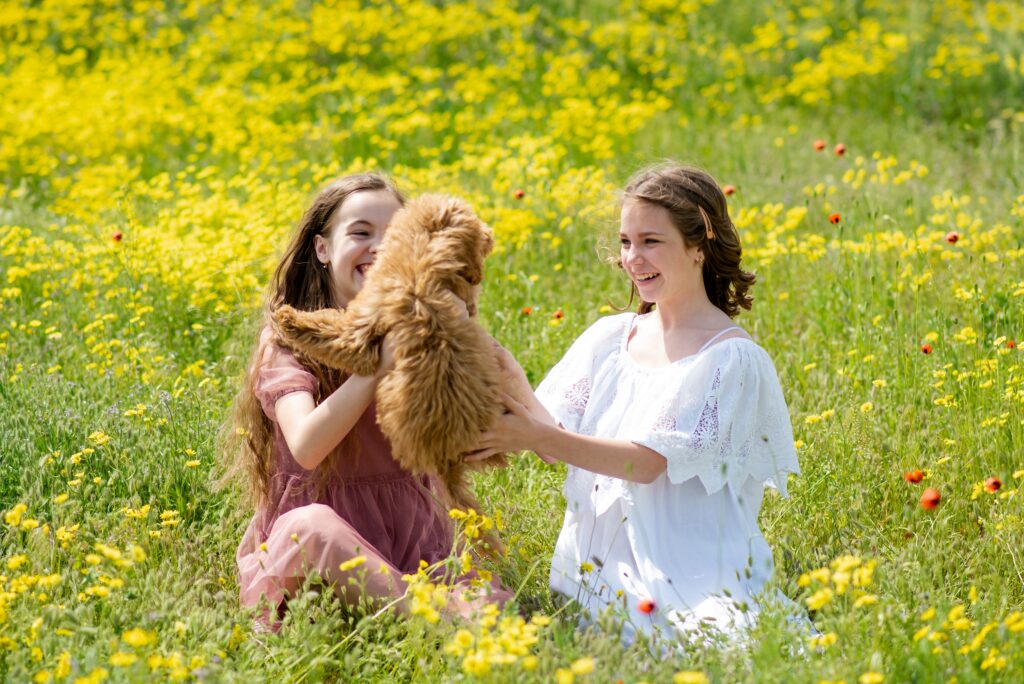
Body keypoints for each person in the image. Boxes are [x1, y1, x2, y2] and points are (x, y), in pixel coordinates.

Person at [470, 163, 802, 642]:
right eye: (626, 242)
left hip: (687, 565)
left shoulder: (731, 359)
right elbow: (554, 440)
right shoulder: (609, 337)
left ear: (698, 246)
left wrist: (538, 435)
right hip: (592, 571)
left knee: (713, 646)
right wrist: (508, 372)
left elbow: (645, 464)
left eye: (651, 241)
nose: (633, 258)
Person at [224, 172, 508, 631]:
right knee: (310, 526)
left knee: (489, 600)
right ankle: (436, 623)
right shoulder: (287, 342)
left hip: (409, 539)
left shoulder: (421, 330)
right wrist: (376, 366)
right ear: (322, 249)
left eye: (393, 234)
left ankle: (415, 612)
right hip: (320, 550)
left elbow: (485, 426)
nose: (378, 247)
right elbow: (307, 446)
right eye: (360, 233)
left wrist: (461, 334)